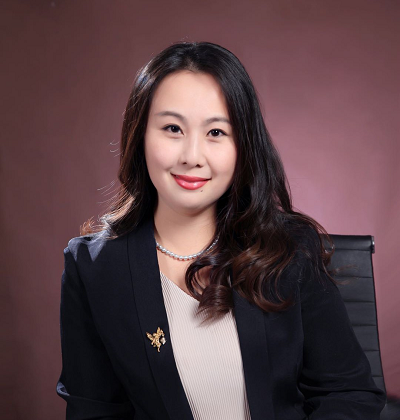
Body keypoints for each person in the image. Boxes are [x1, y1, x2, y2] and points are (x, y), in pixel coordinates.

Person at [56, 41, 386, 420]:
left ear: (243, 145)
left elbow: (348, 393)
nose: (192, 156)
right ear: (140, 135)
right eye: (172, 128)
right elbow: (93, 411)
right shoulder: (94, 268)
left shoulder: (290, 248)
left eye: (216, 132)